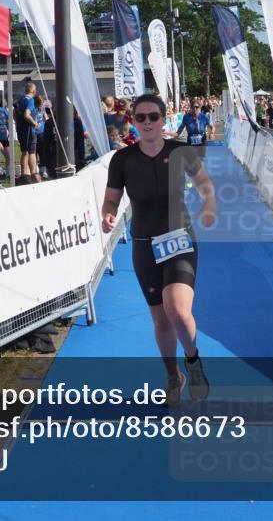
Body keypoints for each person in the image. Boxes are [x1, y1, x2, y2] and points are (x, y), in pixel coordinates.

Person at [101, 94, 216, 406]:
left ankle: (193, 360)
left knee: (177, 310)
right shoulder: (122, 160)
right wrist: (108, 214)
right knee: (161, 320)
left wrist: (209, 205)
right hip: (143, 245)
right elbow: (111, 199)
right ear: (133, 121)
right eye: (141, 118)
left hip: (180, 240)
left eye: (154, 116)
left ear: (164, 119)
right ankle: (172, 375)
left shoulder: (181, 152)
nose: (148, 123)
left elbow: (205, 185)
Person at [14, 82, 42, 184]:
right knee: (32, 152)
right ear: (33, 91)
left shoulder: (20, 99)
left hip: (21, 129)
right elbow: (27, 115)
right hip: (29, 130)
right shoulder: (30, 100)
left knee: (24, 152)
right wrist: (35, 124)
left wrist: (18, 124)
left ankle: (24, 175)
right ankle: (34, 175)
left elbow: (15, 113)